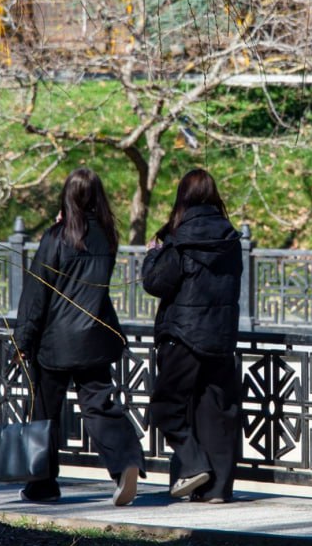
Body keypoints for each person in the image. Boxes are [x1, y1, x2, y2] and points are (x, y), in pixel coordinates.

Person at [13, 167, 145, 505]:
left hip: (55, 341)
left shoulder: (56, 238)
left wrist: (22, 339)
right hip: (94, 337)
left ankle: (42, 485)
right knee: (99, 405)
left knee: (44, 412)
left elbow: (36, 294)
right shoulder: (108, 237)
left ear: (67, 197)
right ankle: (125, 462)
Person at [141, 168, 243, 503]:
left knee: (165, 406)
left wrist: (153, 254)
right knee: (216, 411)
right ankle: (217, 489)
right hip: (220, 335)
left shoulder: (180, 238)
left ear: (183, 197)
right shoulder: (230, 239)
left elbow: (155, 283)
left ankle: (194, 464)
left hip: (183, 334)